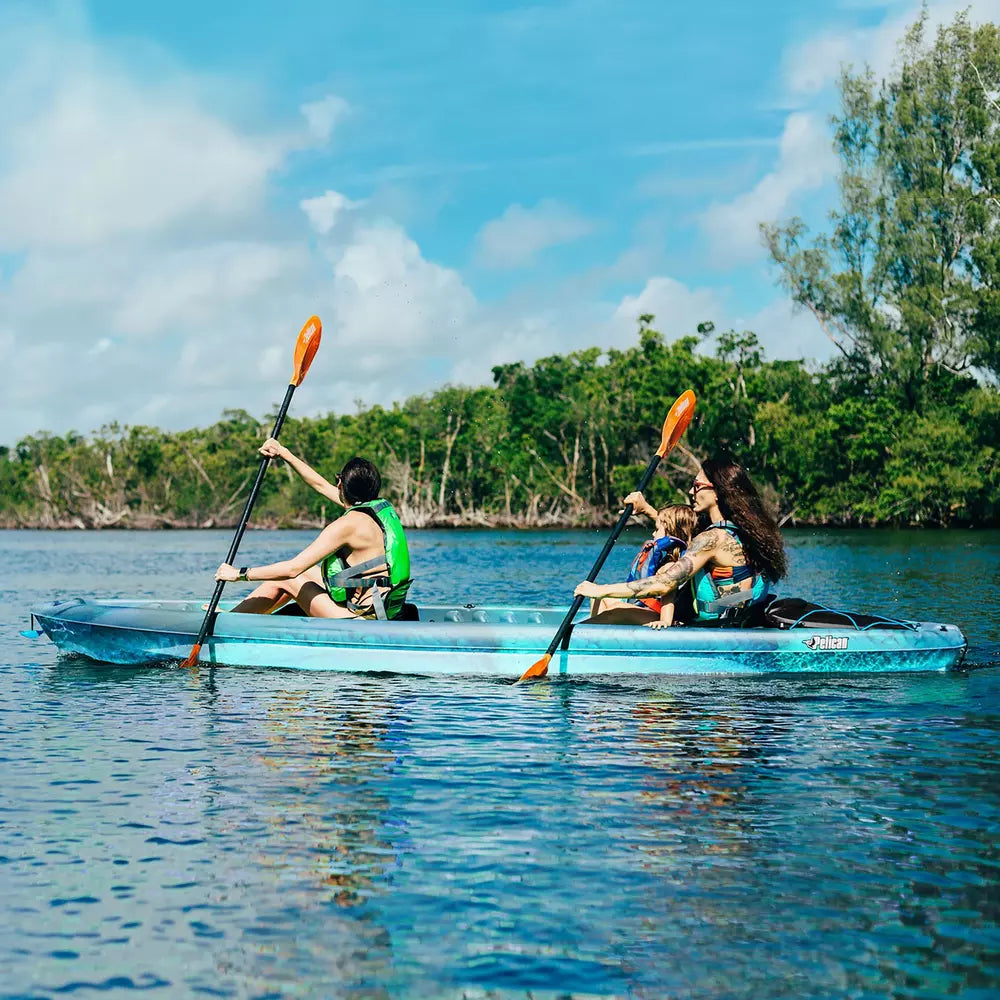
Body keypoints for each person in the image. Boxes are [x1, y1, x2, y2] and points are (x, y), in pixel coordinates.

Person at [575, 457, 786, 625]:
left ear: (717, 492)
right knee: (608, 604)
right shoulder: (741, 530)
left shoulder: (712, 539)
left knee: (611, 609)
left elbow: (665, 583)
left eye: (697, 485)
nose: (691, 491)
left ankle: (579, 641)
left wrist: (600, 589)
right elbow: (682, 533)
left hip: (716, 625)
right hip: (735, 617)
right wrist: (647, 509)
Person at [215, 440, 411, 620]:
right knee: (303, 572)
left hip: (361, 619)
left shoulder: (346, 526)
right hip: (382, 608)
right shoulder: (374, 511)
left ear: (341, 484)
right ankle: (239, 616)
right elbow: (321, 486)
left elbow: (292, 570)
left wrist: (238, 574)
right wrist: (284, 453)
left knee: (287, 578)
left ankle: (229, 621)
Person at [588, 496, 698, 628]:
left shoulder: (671, 566)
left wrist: (665, 621)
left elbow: (668, 596)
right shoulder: (666, 559)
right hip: (648, 607)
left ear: (671, 533)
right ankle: (597, 631)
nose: (653, 534)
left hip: (662, 614)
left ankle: (582, 632)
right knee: (598, 596)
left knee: (618, 609)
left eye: (657, 530)